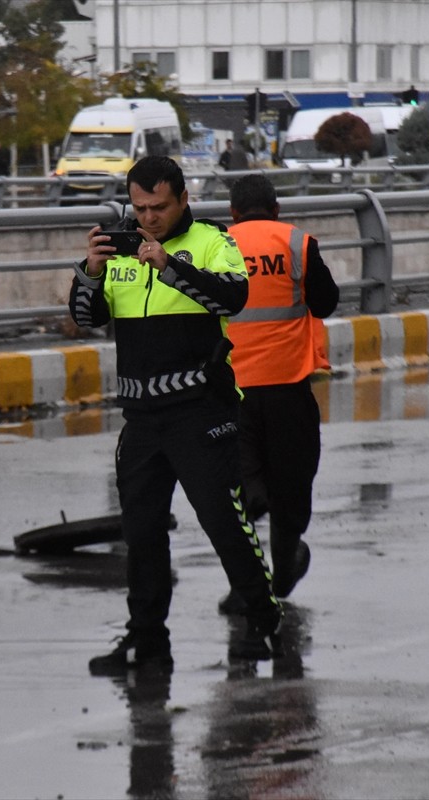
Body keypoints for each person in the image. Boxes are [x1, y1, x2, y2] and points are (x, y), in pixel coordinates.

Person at [69, 156, 282, 675]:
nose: (148, 218)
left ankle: (261, 618)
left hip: (200, 412)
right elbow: (83, 317)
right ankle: (147, 640)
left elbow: (232, 298)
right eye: (139, 208)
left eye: (159, 207)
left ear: (183, 199)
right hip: (142, 418)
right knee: (140, 535)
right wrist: (90, 274)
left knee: (225, 523)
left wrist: (167, 264)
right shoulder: (123, 247)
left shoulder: (213, 241)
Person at [223, 173, 339, 607]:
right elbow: (325, 302)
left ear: (233, 213)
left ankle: (243, 585)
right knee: (292, 483)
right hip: (288, 388)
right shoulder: (297, 243)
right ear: (276, 210)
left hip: (232, 393)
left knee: (236, 490)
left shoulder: (217, 247)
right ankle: (284, 567)